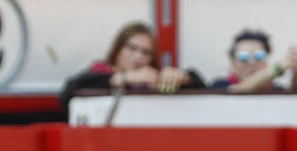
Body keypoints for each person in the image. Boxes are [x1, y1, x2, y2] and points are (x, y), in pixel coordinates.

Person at [58, 21, 203, 113]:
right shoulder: (99, 75)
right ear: (118, 49)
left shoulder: (154, 81)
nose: (138, 56)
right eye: (132, 48)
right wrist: (123, 78)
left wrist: (183, 78)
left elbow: (204, 90)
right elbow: (67, 94)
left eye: (145, 52)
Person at [209, 29, 297, 93]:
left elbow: (295, 97)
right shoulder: (219, 85)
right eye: (244, 57)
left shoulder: (276, 89)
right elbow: (238, 90)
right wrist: (278, 67)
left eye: (259, 56)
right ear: (233, 63)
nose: (252, 62)